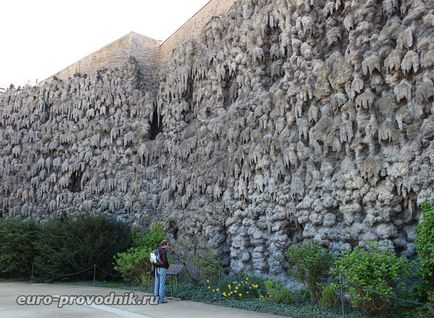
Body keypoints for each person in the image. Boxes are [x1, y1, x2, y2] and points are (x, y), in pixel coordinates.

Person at [154, 239, 170, 304]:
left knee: (157, 283)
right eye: (167, 244)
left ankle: (156, 298)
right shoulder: (164, 251)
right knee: (162, 283)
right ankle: (161, 299)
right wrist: (168, 266)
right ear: (164, 244)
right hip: (162, 268)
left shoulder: (157, 250)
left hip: (156, 268)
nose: (168, 245)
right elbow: (165, 261)